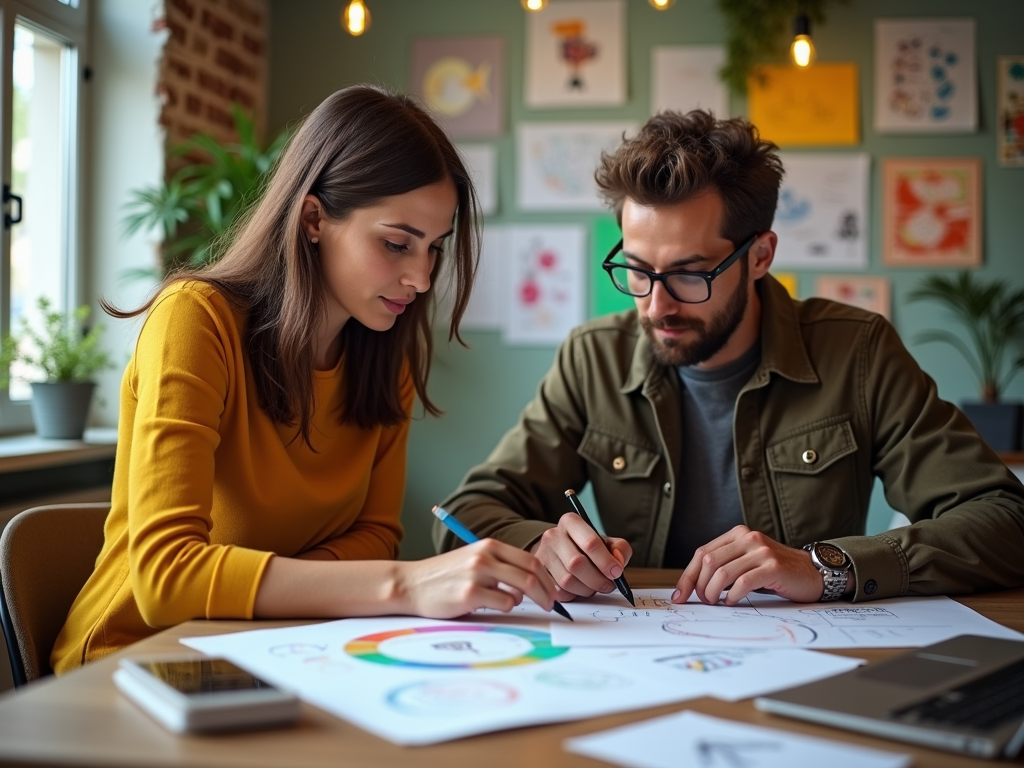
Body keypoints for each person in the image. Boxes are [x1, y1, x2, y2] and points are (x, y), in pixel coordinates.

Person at [51, 85, 559, 674]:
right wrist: (403, 586)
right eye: (396, 243)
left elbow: (376, 535)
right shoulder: (194, 321)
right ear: (314, 218)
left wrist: (257, 578)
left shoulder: (380, 358)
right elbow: (167, 580)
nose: (421, 278)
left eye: (434, 249)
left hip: (279, 648)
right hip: (135, 660)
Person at [434, 110, 1024, 608]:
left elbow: (1005, 522)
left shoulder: (858, 351)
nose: (656, 305)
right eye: (637, 271)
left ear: (761, 255)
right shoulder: (594, 359)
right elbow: (462, 514)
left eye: (691, 274)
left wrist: (827, 566)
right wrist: (540, 545)